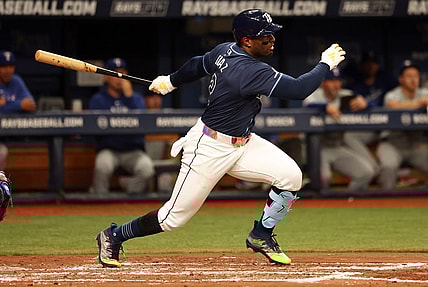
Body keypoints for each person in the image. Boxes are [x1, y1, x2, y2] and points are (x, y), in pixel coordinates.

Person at [96, 9, 346, 267]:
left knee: (291, 176)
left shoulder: (226, 49)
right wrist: (325, 63)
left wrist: (171, 80)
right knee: (172, 219)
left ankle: (261, 234)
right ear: (247, 41)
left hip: (243, 143)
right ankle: (113, 235)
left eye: (272, 35)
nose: (272, 39)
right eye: (265, 36)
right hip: (209, 147)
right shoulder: (248, 70)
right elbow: (299, 89)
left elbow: (197, 63)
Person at [303, 68, 377, 191]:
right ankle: (319, 205)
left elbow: (372, 104)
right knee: (323, 178)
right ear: (323, 83)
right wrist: (325, 107)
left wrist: (365, 104)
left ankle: (347, 200)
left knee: (366, 172)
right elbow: (308, 104)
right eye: (331, 81)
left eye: (338, 80)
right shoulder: (314, 95)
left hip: (338, 147)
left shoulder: (346, 94)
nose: (336, 84)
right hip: (318, 149)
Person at [89, 57, 154, 193]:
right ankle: (100, 203)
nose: (119, 77)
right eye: (114, 74)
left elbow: (143, 121)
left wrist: (129, 96)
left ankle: (128, 200)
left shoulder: (135, 98)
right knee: (102, 166)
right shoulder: (98, 99)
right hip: (109, 150)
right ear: (106, 77)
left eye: (122, 73)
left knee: (147, 168)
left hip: (133, 151)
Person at [342, 51, 397, 175]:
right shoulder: (355, 85)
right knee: (349, 136)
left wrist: (368, 104)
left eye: (373, 63)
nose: (370, 66)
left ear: (377, 65)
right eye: (367, 63)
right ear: (361, 66)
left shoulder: (386, 80)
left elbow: (395, 98)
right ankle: (373, 165)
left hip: (386, 126)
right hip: (367, 127)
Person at [376, 60, 428, 191]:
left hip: (414, 144)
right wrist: (418, 104)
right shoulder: (392, 94)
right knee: (389, 166)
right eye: (409, 76)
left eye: (415, 76)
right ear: (401, 79)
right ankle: (386, 201)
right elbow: (393, 105)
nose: (413, 80)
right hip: (392, 143)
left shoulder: (424, 93)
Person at [0, 50, 36, 170]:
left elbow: (31, 105)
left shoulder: (16, 81)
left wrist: (9, 104)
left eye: (10, 66)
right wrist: (20, 104)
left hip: (10, 135)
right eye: (3, 66)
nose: (7, 70)